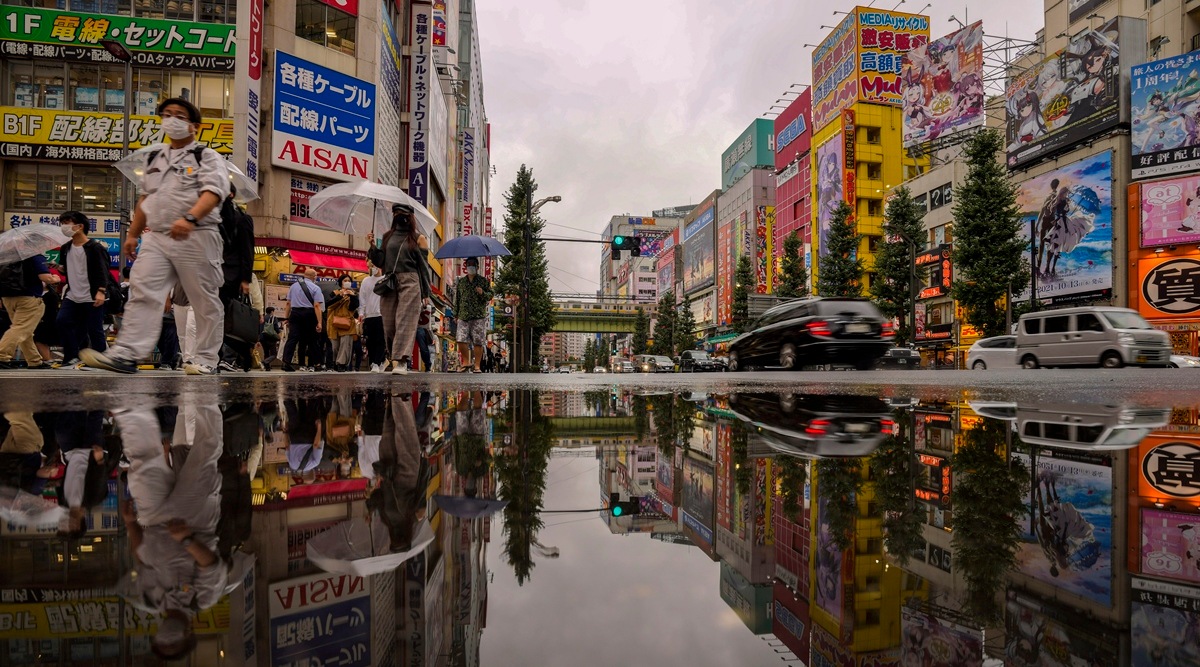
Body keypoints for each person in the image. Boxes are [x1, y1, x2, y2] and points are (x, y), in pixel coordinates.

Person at [80, 97, 228, 375]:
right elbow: (146, 198)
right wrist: (133, 234)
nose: (172, 119)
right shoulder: (154, 156)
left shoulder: (206, 156)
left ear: (194, 126)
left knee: (203, 299)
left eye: (180, 116)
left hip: (197, 234)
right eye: (167, 114)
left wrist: (190, 218)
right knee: (142, 291)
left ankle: (206, 359)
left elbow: (213, 192)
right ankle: (127, 353)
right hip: (158, 237)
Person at [118, 399, 226, 660]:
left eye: (161, 642)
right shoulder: (203, 599)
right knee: (205, 451)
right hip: (194, 518)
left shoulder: (151, 600)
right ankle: (205, 388)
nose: (166, 638)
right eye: (173, 644)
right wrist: (187, 539)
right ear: (188, 635)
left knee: (141, 464)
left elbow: (141, 559)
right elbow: (211, 565)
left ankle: (128, 404)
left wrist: (131, 524)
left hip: (152, 519)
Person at [366, 204, 430, 375]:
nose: (399, 216)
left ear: (411, 217)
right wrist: (372, 246)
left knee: (405, 320)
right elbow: (380, 262)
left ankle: (402, 361)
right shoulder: (387, 236)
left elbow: (424, 268)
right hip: (390, 281)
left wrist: (426, 293)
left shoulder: (418, 238)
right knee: (388, 322)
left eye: (403, 214)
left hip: (410, 281)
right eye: (396, 213)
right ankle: (394, 355)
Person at [55, 211, 111, 367]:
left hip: (93, 295)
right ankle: (71, 356)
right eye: (62, 223)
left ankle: (101, 360)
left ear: (80, 226)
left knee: (94, 330)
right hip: (73, 295)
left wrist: (101, 291)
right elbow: (66, 269)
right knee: (62, 321)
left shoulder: (95, 247)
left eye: (67, 222)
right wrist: (61, 270)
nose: (64, 226)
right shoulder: (66, 248)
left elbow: (103, 271)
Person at [217, 184, 256, 373]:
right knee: (216, 316)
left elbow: (247, 251)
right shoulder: (215, 219)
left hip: (232, 275)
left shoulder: (243, 219)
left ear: (231, 195)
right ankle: (228, 356)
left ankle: (230, 357)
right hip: (214, 272)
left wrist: (245, 280)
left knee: (230, 317)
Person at [0, 251, 60, 369]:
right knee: (21, 328)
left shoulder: (8, 256)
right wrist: (55, 278)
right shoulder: (34, 255)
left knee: (24, 330)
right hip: (29, 298)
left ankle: (34, 360)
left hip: (8, 298)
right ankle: (2, 355)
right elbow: (45, 277)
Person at [281, 269, 324, 372]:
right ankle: (316, 363)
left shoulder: (293, 286)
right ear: (314, 277)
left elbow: (288, 303)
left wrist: (286, 318)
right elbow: (317, 305)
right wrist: (319, 322)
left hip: (295, 314)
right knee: (312, 339)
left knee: (293, 338)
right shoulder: (316, 288)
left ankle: (286, 362)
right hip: (309, 314)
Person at [453, 257, 492, 373]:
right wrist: (456, 314)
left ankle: (477, 366)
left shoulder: (483, 281)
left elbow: (490, 295)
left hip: (478, 315)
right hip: (463, 315)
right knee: (460, 339)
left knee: (478, 341)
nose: (471, 267)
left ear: (477, 267)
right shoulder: (461, 282)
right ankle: (466, 362)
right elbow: (457, 299)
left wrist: (482, 293)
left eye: (473, 265)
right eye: (468, 265)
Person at [325, 274, 359, 371]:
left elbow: (354, 307)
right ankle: (336, 362)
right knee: (335, 346)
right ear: (341, 282)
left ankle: (341, 364)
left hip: (348, 322)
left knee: (345, 344)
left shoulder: (354, 294)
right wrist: (340, 296)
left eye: (349, 280)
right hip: (334, 322)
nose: (347, 282)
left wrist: (352, 297)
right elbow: (328, 304)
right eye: (345, 280)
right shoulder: (335, 293)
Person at [358, 265, 386, 372]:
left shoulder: (385, 279)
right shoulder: (366, 281)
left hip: (382, 314)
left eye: (375, 265)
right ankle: (379, 361)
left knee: (380, 339)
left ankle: (376, 363)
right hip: (369, 315)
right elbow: (362, 298)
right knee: (370, 341)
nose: (373, 268)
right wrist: (361, 313)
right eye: (372, 265)